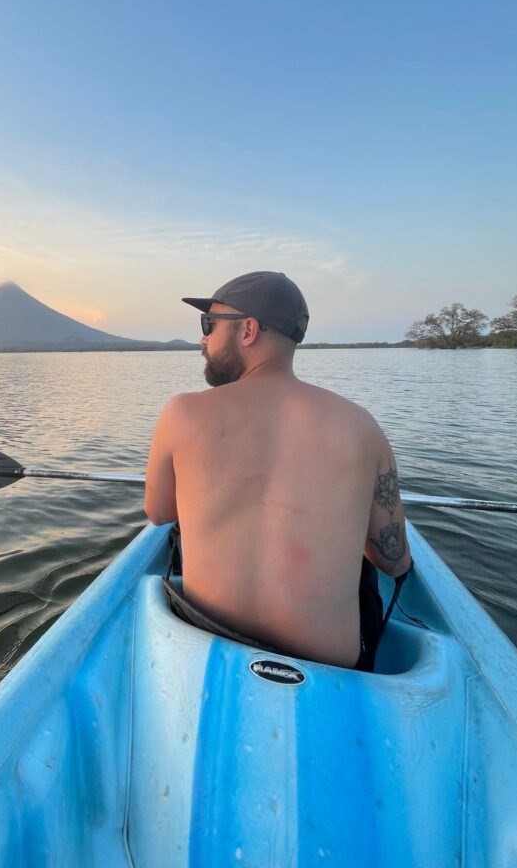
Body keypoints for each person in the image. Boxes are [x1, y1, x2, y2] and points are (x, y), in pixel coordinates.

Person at [144, 271, 412, 671]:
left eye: (209, 325)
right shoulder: (361, 427)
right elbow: (393, 561)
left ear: (248, 330)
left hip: (205, 638)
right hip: (328, 667)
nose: (203, 339)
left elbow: (160, 512)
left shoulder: (182, 413)